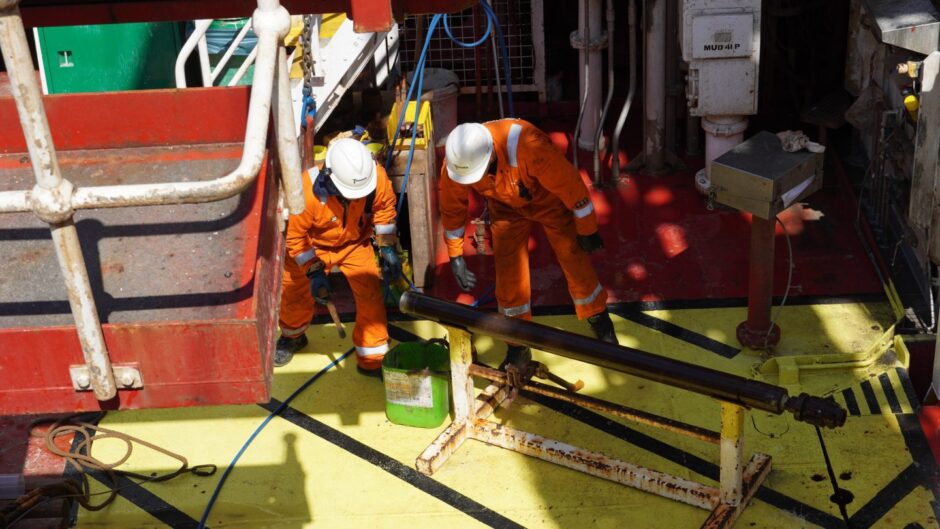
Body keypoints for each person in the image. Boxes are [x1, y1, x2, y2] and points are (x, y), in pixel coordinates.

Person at [439, 119, 618, 376]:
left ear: (490, 156)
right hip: (504, 207)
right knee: (509, 274)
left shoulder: (530, 146)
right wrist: (455, 254)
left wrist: (587, 229)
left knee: (572, 254)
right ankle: (517, 345)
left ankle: (598, 316)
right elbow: (452, 208)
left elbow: (570, 185)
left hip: (548, 200)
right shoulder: (458, 162)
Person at [275, 138, 401, 375]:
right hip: (313, 245)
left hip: (355, 244)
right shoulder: (305, 191)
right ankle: (293, 336)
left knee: (370, 295)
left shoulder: (377, 178)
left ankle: (371, 357)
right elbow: (295, 237)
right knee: (293, 291)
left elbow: (384, 211)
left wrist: (387, 248)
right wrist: (313, 271)